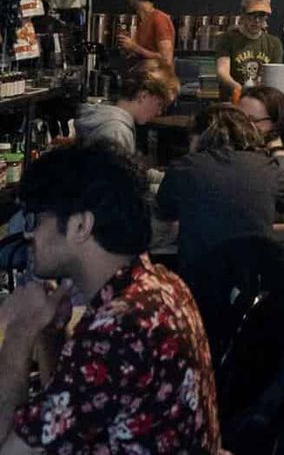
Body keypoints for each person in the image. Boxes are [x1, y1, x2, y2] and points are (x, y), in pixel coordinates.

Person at [0, 142, 220, 454]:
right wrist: (50, 334)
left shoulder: (119, 328)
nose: (28, 234)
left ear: (80, 225)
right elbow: (69, 414)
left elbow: (10, 450)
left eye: (36, 219)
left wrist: (19, 333)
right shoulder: (161, 284)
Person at [155, 103, 284, 270]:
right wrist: (263, 231)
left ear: (199, 137)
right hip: (255, 283)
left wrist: (187, 229)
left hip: (199, 285)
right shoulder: (267, 168)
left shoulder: (182, 168)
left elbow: (155, 234)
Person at [76, 60, 179, 151]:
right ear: (143, 96)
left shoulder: (106, 118)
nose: (159, 112)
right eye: (159, 105)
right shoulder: (117, 132)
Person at [215, 0, 283, 97]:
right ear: (243, 13)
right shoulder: (227, 39)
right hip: (233, 103)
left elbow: (274, 78)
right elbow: (222, 72)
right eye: (252, 15)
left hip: (261, 102)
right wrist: (240, 89)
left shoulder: (274, 44)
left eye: (261, 16)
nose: (256, 21)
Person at [117, 0, 176, 67]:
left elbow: (166, 59)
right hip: (144, 78)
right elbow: (145, 54)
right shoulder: (141, 22)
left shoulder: (159, 19)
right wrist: (129, 50)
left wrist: (134, 47)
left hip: (158, 80)